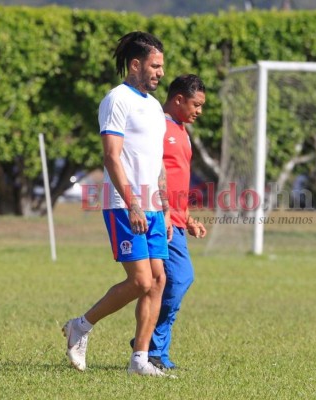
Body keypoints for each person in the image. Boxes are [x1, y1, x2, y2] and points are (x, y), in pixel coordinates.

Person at [62, 31, 174, 377]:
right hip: (124, 204)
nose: (160, 73)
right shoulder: (116, 100)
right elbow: (112, 158)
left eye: (162, 67)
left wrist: (166, 208)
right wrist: (134, 204)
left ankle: (139, 359)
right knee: (141, 281)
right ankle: (81, 325)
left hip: (154, 207)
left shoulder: (154, 106)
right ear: (135, 64)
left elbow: (156, 162)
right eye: (154, 66)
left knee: (158, 281)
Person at [131, 74, 208, 369]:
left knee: (165, 282)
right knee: (174, 280)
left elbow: (175, 180)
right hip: (159, 218)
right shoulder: (158, 126)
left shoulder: (182, 129)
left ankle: (150, 345)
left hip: (175, 220)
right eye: (195, 104)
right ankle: (151, 347)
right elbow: (151, 171)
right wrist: (162, 213)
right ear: (178, 100)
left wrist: (186, 218)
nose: (199, 111)